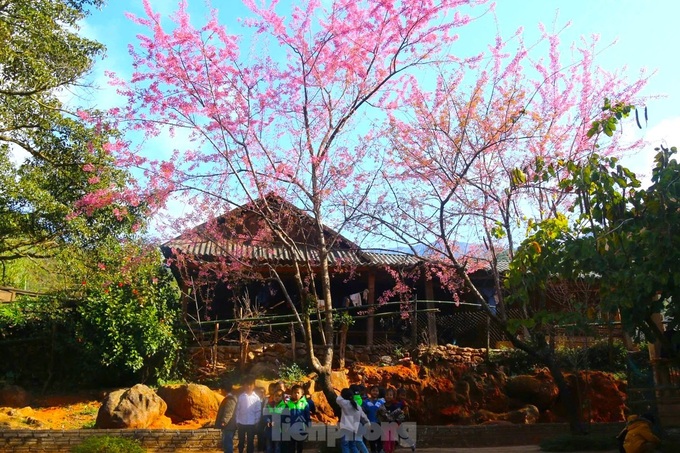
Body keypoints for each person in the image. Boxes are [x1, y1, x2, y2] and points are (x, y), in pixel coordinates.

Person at [337, 387, 370, 453]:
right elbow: (363, 415)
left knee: (345, 445)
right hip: (354, 428)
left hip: (345, 428)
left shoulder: (344, 403)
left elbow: (338, 399)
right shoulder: (357, 405)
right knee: (352, 445)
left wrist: (342, 394)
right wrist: (368, 422)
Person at [236, 376, 263, 453]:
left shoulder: (256, 398)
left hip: (251, 423)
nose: (248, 386)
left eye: (250, 385)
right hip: (241, 422)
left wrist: (256, 421)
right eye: (247, 384)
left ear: (253, 386)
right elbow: (238, 409)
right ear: (244, 385)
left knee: (250, 441)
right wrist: (237, 420)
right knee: (241, 441)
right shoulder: (241, 397)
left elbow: (258, 411)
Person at [283, 384, 311, 453]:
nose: (296, 394)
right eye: (294, 393)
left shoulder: (305, 404)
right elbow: (285, 416)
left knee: (300, 446)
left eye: (298, 393)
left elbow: (307, 416)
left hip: (301, 429)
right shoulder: (288, 404)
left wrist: (308, 426)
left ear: (302, 394)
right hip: (290, 429)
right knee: (291, 447)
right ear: (291, 394)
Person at [377, 388, 405, 453]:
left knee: (392, 440)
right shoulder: (382, 406)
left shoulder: (395, 406)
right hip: (385, 425)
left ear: (393, 396)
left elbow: (401, 416)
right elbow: (379, 416)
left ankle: (391, 450)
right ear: (384, 396)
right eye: (387, 395)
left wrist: (398, 419)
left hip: (393, 425)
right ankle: (387, 451)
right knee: (387, 440)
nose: (388, 396)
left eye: (390, 395)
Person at [215, 382, 238, 453]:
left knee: (227, 443)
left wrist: (224, 422)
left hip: (229, 425)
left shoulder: (230, 399)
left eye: (221, 389)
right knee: (226, 443)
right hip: (229, 425)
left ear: (224, 390)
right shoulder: (229, 398)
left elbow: (228, 412)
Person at [262, 388, 287, 453]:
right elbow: (265, 415)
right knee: (269, 447)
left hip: (278, 430)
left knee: (277, 447)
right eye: (276, 395)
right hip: (269, 430)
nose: (277, 397)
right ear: (273, 396)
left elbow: (284, 417)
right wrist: (267, 421)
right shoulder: (269, 405)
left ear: (282, 397)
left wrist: (277, 422)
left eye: (279, 396)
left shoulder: (284, 406)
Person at [362, 386, 384, 453]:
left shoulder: (381, 401)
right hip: (369, 423)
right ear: (370, 392)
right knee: (372, 441)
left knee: (379, 440)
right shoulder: (365, 402)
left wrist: (382, 410)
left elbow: (384, 412)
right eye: (373, 390)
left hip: (379, 423)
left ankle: (380, 450)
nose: (375, 392)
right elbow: (362, 412)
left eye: (377, 391)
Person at [395, 387, 415, 452]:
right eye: (402, 395)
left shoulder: (403, 403)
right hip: (392, 419)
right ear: (397, 395)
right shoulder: (394, 401)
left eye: (404, 395)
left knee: (402, 434)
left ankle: (411, 443)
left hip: (399, 421)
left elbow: (405, 412)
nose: (403, 397)